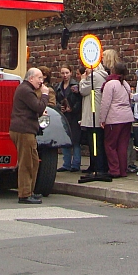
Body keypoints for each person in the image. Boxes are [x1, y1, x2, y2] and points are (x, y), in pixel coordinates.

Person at [9, 68, 49, 204]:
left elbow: (31, 108)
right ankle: (24, 194)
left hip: (26, 130)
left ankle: (30, 191)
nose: (41, 81)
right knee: (26, 163)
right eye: (39, 78)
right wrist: (45, 95)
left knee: (33, 161)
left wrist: (39, 112)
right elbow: (38, 107)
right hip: (23, 131)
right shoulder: (26, 90)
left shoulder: (26, 89)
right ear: (31, 78)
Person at [79, 49, 119, 175]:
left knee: (94, 143)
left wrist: (83, 79)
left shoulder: (94, 76)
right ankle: (95, 165)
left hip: (93, 114)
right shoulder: (103, 75)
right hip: (97, 113)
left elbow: (83, 90)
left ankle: (98, 167)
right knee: (98, 142)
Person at [99, 62, 135, 178]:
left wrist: (102, 119)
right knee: (122, 145)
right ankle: (123, 170)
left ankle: (114, 170)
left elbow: (105, 103)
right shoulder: (125, 84)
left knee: (110, 145)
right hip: (127, 117)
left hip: (114, 118)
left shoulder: (110, 84)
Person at [55, 66, 82, 172]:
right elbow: (55, 100)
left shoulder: (76, 86)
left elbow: (80, 101)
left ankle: (76, 164)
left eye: (67, 73)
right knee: (65, 140)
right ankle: (66, 164)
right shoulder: (58, 87)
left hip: (74, 117)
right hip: (63, 116)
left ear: (71, 73)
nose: (65, 75)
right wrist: (59, 107)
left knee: (75, 141)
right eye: (63, 73)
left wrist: (73, 109)